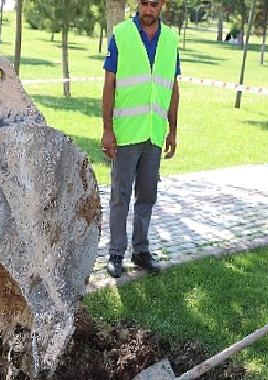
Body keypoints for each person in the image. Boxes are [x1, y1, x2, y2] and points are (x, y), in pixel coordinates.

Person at [102, 0, 181, 278]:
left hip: (154, 132)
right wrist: (107, 129)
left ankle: (140, 250)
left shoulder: (171, 40)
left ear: (163, 5)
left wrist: (172, 129)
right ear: (138, 4)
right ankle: (115, 253)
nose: (148, 9)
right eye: (145, 3)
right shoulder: (121, 34)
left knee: (147, 195)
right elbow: (109, 83)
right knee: (119, 196)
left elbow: (173, 87)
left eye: (154, 4)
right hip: (125, 132)